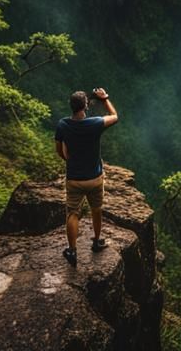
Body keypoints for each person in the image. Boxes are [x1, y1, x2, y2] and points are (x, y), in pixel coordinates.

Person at [55, 87, 119, 266]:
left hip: (74, 178)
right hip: (95, 178)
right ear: (86, 106)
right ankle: (97, 241)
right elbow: (115, 116)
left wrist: (67, 159)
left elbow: (59, 149)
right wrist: (105, 98)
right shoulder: (95, 123)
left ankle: (72, 250)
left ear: (71, 106)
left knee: (73, 213)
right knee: (96, 208)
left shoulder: (63, 125)